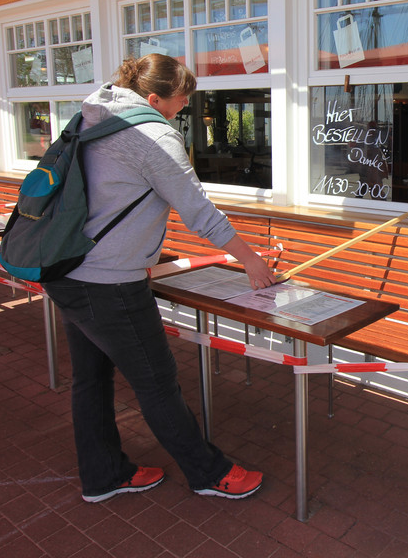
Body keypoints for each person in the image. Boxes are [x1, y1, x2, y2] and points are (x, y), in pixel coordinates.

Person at [43, 54, 277, 504]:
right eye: (179, 103)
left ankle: (103, 474)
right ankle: (209, 472)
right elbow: (199, 212)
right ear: (152, 99)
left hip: (66, 269)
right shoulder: (150, 135)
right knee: (156, 381)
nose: (181, 111)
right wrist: (251, 261)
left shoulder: (91, 118)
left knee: (90, 380)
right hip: (109, 282)